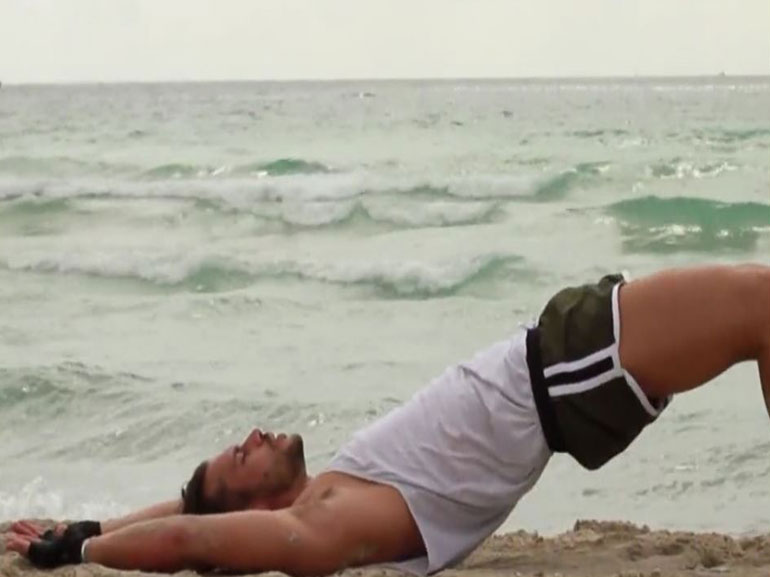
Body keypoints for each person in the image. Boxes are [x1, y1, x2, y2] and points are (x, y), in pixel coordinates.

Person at [5, 264, 770, 575]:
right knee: (762, 304)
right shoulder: (324, 522)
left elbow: (186, 510)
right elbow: (193, 538)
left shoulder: (334, 488)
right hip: (565, 367)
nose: (251, 435)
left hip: (561, 370)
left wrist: (87, 525)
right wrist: (77, 553)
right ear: (258, 506)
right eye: (238, 455)